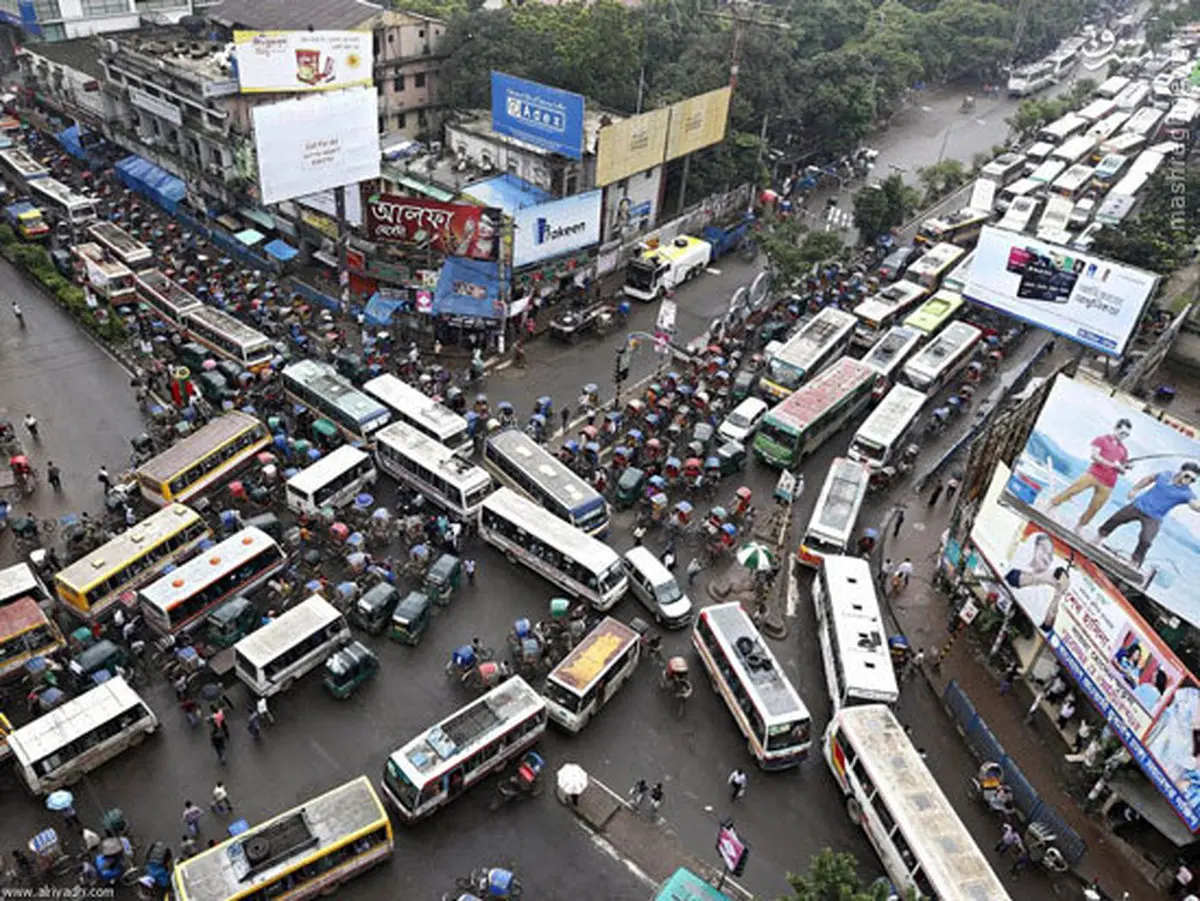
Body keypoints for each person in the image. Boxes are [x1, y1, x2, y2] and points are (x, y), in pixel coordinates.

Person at [1096, 463, 1200, 569]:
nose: (1188, 480)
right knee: (1115, 519)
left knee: (1146, 540)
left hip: (1154, 517)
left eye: (1192, 480)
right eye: (1187, 476)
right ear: (1181, 470)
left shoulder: (1186, 493)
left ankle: (1134, 563)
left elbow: (1195, 505)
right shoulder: (1165, 475)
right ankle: (1099, 538)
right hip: (1138, 506)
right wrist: (1134, 489)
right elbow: (1149, 479)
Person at [1045, 418, 1132, 530]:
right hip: (1093, 475)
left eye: (1127, 435)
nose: (1124, 436)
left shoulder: (1124, 450)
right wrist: (1112, 465)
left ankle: (1079, 527)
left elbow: (1121, 469)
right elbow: (1094, 456)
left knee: (1095, 507)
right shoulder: (1101, 439)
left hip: (1108, 483)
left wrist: (1125, 468)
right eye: (1122, 433)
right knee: (1071, 491)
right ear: (1116, 428)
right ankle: (1049, 506)